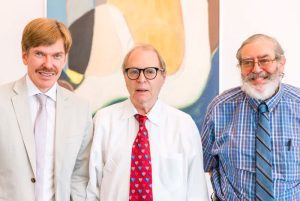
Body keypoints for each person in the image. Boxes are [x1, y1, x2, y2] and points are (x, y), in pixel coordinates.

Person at [86, 44, 209, 201]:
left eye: (150, 72)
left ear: (163, 77)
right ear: (124, 76)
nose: (141, 79)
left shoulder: (184, 125)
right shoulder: (103, 121)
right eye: (134, 72)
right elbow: (91, 189)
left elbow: (196, 192)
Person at [0, 18, 93, 200]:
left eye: (56, 55)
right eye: (40, 54)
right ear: (25, 55)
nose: (49, 64)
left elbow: (79, 176)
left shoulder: (80, 109)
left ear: (65, 58)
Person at [201, 33, 300, 200]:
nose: (256, 69)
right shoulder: (219, 108)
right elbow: (205, 164)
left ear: (281, 63)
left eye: (264, 60)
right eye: (247, 62)